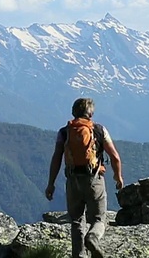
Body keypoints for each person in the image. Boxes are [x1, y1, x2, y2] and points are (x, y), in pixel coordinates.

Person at [45, 98, 124, 258]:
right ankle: (93, 237)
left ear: (73, 112)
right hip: (94, 180)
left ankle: (79, 255)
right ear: (91, 113)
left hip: (73, 180)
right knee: (99, 219)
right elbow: (115, 157)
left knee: (76, 220)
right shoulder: (99, 130)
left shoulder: (64, 132)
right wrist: (118, 177)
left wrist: (51, 184)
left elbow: (57, 158)